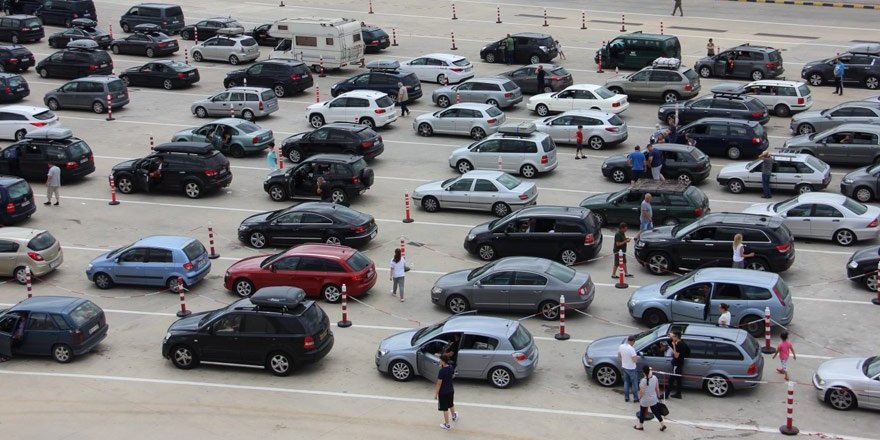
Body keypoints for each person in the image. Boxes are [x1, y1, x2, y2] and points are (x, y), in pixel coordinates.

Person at [634, 366, 668, 431]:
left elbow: (642, 392)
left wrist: (639, 398)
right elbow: (657, 389)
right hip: (653, 399)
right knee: (656, 412)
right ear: (649, 371)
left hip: (645, 400)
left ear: (643, 372)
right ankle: (662, 424)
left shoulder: (642, 381)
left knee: (642, 413)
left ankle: (640, 426)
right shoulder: (655, 378)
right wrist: (658, 396)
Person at [435, 354, 458, 430]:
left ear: (443, 361)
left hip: (443, 392)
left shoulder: (441, 371)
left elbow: (439, 383)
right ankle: (454, 416)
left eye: (440, 360)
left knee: (445, 409)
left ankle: (447, 425)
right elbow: (451, 374)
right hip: (451, 390)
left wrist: (436, 393)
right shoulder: (451, 367)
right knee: (451, 404)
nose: (439, 361)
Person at [667, 330, 689, 399]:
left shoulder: (680, 344)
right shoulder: (680, 342)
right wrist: (670, 338)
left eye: (673, 336)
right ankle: (678, 394)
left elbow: (676, 355)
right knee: (679, 379)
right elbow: (669, 341)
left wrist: (673, 346)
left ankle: (666, 394)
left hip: (677, 365)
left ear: (676, 337)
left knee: (671, 380)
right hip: (679, 364)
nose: (672, 338)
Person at [618, 335, 640, 403]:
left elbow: (619, 355)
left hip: (624, 367)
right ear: (632, 341)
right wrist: (637, 358)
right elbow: (635, 360)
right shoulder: (631, 349)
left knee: (626, 382)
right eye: (634, 342)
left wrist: (623, 361)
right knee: (634, 384)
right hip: (632, 368)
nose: (634, 344)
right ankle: (635, 398)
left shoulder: (621, 346)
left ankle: (626, 397)